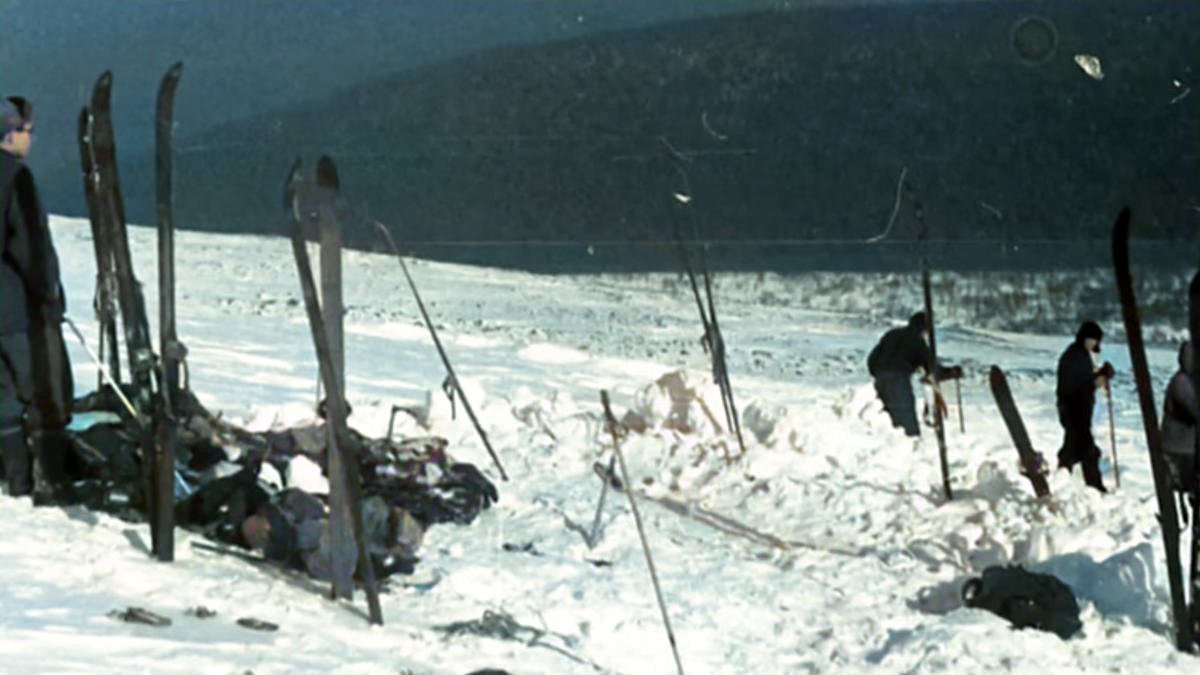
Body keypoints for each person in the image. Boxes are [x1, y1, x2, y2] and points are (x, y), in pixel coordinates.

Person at [1, 95, 73, 498]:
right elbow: (29, 243)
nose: (31, 137)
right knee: (40, 387)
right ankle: (48, 480)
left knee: (2, 397)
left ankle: (14, 478)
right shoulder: (16, 178)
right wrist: (48, 294)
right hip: (13, 307)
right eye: (26, 130)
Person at [867, 312, 961, 436]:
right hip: (898, 380)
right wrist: (952, 372)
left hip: (880, 378)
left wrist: (879, 375)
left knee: (888, 416)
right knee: (906, 421)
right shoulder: (918, 341)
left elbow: (872, 359)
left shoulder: (891, 334)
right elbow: (932, 369)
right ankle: (910, 443)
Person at [1055, 320, 1114, 494]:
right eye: (1092, 339)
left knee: (1071, 451)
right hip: (1074, 411)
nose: (1094, 343)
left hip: (1076, 410)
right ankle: (1095, 488)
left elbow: (1085, 378)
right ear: (1084, 338)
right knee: (1088, 451)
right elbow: (1080, 384)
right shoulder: (1075, 356)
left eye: (1096, 340)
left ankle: (1060, 484)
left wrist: (1100, 374)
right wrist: (1099, 378)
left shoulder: (1079, 354)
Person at [1161, 340, 1197, 494]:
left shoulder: (1187, 381)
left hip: (1184, 444)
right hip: (1180, 446)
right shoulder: (1182, 382)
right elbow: (1193, 409)